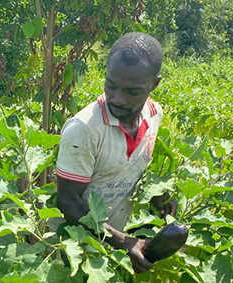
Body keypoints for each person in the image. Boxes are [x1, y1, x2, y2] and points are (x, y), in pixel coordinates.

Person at [52, 32, 176, 273]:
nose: (117, 99)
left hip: (111, 243)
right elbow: (68, 202)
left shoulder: (154, 114)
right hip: (67, 247)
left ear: (154, 85)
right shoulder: (84, 129)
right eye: (111, 85)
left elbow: (131, 165)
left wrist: (155, 194)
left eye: (132, 92)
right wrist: (124, 242)